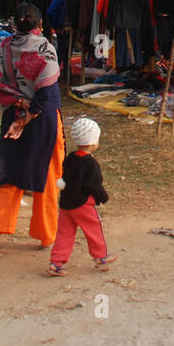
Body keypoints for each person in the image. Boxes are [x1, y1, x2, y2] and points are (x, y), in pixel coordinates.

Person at [0, 2, 64, 259]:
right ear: (39, 25)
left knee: (12, 173)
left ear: (16, 25)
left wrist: (20, 109)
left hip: (14, 113)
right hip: (43, 118)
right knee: (48, 173)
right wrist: (30, 114)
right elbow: (46, 89)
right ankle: (48, 234)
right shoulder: (46, 48)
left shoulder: (5, 47)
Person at [48, 117, 116, 276]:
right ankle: (101, 256)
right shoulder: (91, 164)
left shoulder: (70, 158)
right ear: (93, 143)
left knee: (65, 233)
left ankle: (56, 263)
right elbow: (94, 185)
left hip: (66, 203)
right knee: (94, 229)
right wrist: (103, 197)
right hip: (83, 204)